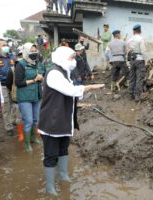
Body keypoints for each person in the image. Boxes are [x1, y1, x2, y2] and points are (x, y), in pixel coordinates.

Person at [38, 46, 104, 196]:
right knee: (51, 155)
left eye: (74, 57)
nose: (73, 61)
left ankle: (63, 175)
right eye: (71, 58)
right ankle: (50, 187)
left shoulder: (66, 72)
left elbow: (73, 93)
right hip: (52, 123)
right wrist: (90, 87)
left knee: (63, 150)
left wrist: (84, 91)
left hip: (63, 122)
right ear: (61, 58)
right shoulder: (54, 73)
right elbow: (70, 90)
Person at [15, 43, 43, 152]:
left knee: (36, 119)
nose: (34, 53)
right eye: (31, 51)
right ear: (26, 52)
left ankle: (33, 137)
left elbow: (42, 73)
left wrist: (42, 78)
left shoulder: (37, 63)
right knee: (29, 120)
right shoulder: (20, 64)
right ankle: (27, 144)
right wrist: (34, 80)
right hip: (25, 97)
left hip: (36, 95)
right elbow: (18, 83)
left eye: (35, 51)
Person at [0, 39, 19, 137]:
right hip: (2, 86)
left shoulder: (12, 57)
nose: (5, 46)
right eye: (3, 45)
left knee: (15, 104)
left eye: (6, 45)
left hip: (13, 85)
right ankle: (8, 127)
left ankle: (11, 120)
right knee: (6, 106)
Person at [127, 24, 147, 102]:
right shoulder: (141, 39)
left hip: (132, 60)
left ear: (133, 31)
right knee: (140, 78)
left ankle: (131, 93)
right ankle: (137, 96)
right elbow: (143, 51)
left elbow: (128, 50)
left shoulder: (130, 40)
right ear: (140, 30)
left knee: (132, 77)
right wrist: (146, 60)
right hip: (139, 59)